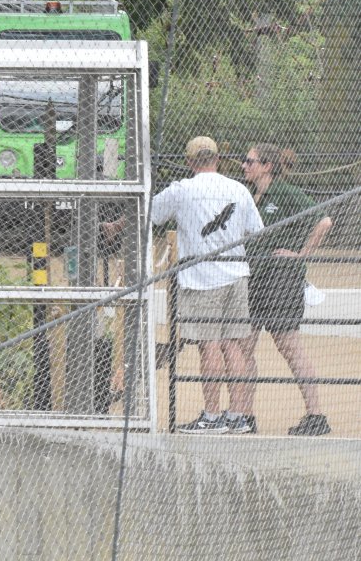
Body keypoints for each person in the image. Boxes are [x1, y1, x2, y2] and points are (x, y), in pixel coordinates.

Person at [106, 136, 263, 433]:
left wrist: (115, 226)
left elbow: (147, 213)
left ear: (190, 162)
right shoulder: (239, 189)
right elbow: (255, 230)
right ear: (218, 158)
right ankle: (239, 415)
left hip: (203, 278)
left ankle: (213, 416)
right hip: (236, 274)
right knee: (234, 346)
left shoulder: (182, 190)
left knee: (210, 346)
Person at [240, 145, 333, 436]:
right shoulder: (249, 195)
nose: (244, 165)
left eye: (250, 161)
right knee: (244, 347)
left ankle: (316, 416)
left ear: (267, 166)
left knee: (289, 347)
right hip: (252, 279)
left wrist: (301, 254)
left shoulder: (287, 193)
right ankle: (245, 416)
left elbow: (324, 220)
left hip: (281, 279)